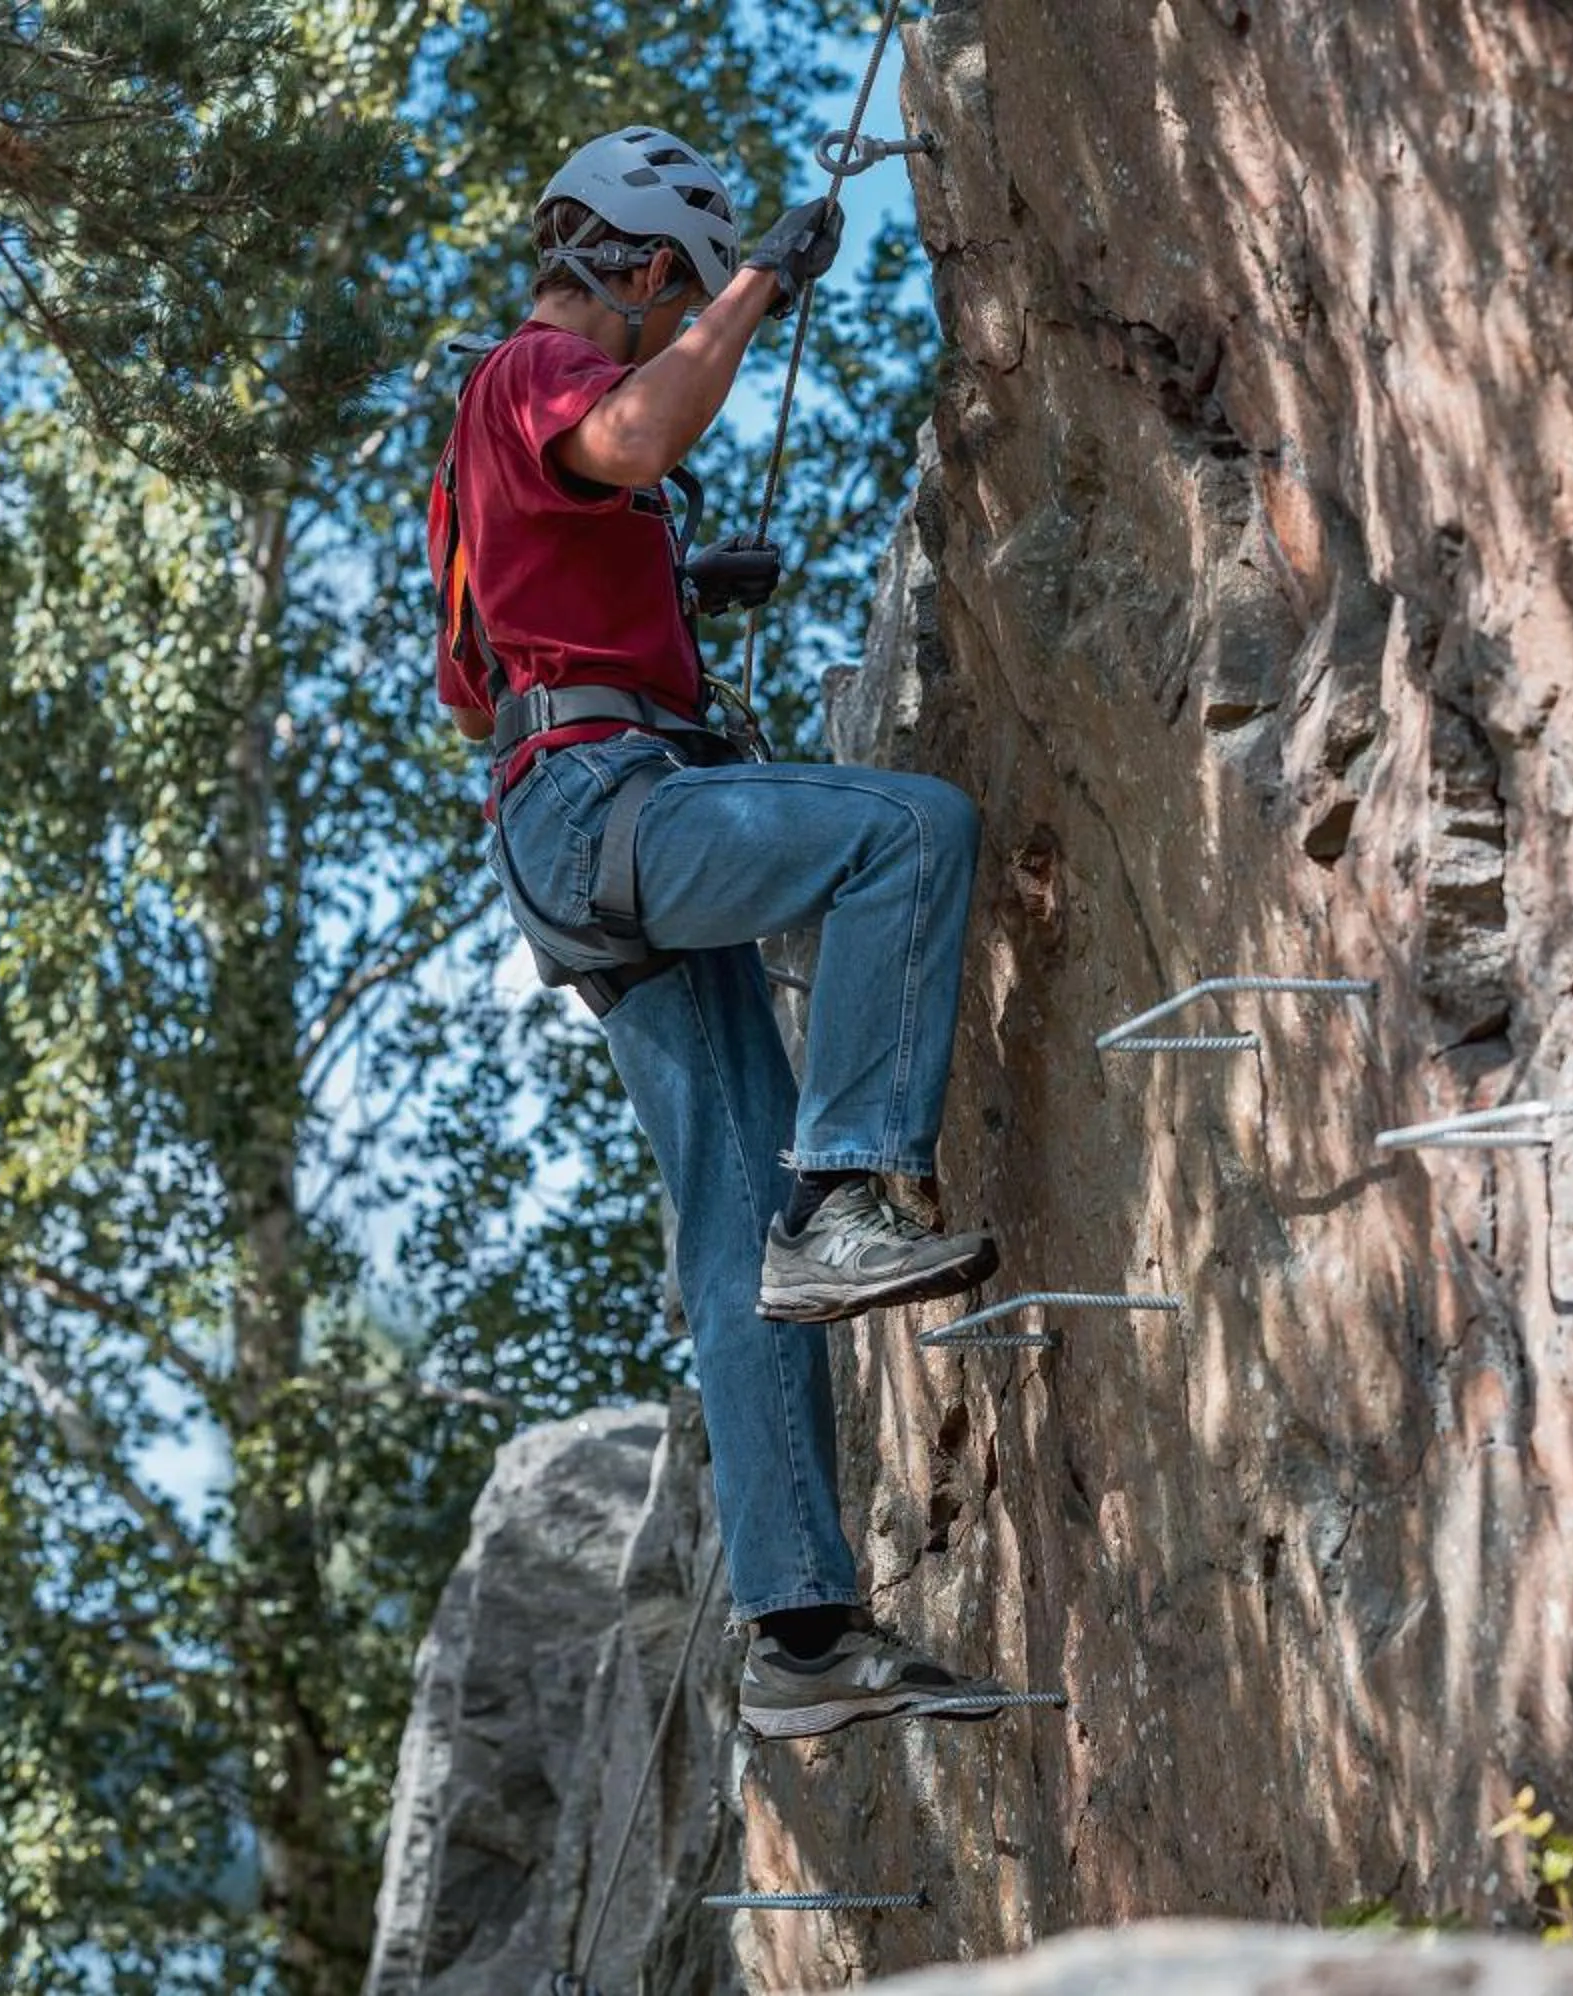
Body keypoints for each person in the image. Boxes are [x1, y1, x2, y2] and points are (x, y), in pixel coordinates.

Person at [428, 127, 1009, 1739]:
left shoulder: (499, 442)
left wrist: (660, 591)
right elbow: (622, 429)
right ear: (638, 261)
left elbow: (483, 662)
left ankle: (802, 1640)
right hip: (602, 804)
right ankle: (846, 1192)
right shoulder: (528, 368)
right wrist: (758, 285)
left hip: (579, 815)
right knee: (906, 832)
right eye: (669, 286)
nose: (663, 317)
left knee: (730, 1247)